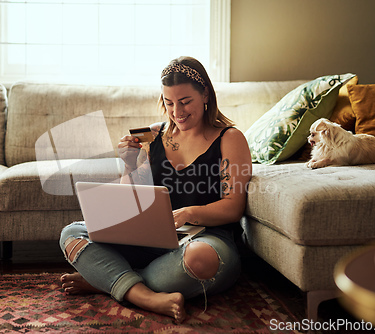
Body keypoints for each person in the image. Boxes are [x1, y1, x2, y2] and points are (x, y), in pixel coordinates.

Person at [59, 56, 252, 323]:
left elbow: (233, 207)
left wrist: (187, 214)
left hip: (206, 241)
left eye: (185, 102)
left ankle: (108, 279)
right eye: (169, 103)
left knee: (199, 259)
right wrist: (128, 165)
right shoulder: (153, 135)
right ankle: (144, 295)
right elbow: (132, 200)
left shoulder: (230, 138)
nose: (177, 112)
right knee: (72, 234)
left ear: (205, 93)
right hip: (153, 241)